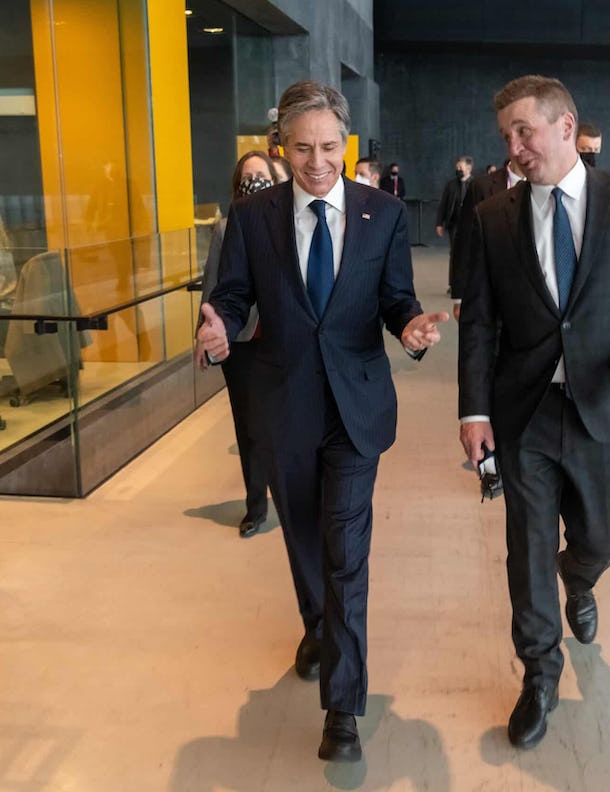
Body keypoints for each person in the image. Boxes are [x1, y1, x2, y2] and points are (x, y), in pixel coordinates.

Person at [197, 81, 449, 763]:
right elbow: (230, 294)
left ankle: (342, 706)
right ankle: (317, 626)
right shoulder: (253, 217)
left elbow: (397, 298)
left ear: (347, 144)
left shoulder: (383, 214)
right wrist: (216, 325)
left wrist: (412, 329)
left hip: (355, 408)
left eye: (330, 147)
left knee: (345, 551)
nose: (317, 161)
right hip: (282, 405)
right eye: (303, 148)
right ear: (281, 146)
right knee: (305, 539)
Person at [457, 75, 610, 750]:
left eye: (523, 131)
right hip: (523, 410)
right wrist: (472, 413)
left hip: (605, 405)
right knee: (525, 549)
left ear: (565, 127)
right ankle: (539, 674)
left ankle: (578, 580)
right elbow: (480, 326)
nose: (514, 147)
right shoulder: (493, 216)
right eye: (506, 137)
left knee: (604, 536)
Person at [198, 151, 278, 538]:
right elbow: (213, 285)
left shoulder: (290, 224)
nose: (255, 183)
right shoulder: (226, 227)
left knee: (287, 423)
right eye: (248, 178)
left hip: (284, 340)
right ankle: (255, 505)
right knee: (249, 427)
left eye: (261, 177)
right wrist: (208, 334)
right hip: (242, 342)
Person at [449, 157, 525, 318]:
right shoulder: (481, 186)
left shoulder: (547, 185)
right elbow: (464, 241)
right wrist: (459, 296)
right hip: (490, 289)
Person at [437, 156, 474, 293]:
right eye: (457, 167)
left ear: (469, 169)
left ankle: (469, 283)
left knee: (470, 254)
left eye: (461, 167)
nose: (458, 170)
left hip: (471, 225)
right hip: (454, 225)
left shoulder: (476, 184)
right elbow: (443, 204)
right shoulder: (451, 185)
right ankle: (454, 284)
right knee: (455, 254)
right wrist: (439, 223)